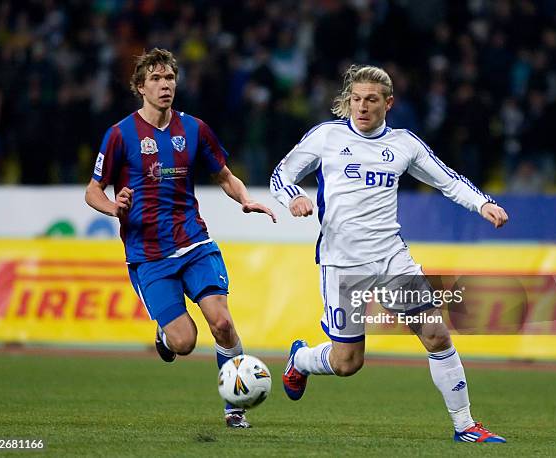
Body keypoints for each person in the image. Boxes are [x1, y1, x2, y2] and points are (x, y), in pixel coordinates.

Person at [270, 65, 509, 443]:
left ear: (388, 103)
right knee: (348, 363)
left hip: (392, 258)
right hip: (342, 263)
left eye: (371, 100)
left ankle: (465, 426)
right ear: (348, 100)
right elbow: (281, 175)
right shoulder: (326, 137)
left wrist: (483, 205)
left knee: (437, 335)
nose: (362, 107)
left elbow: (447, 180)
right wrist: (294, 197)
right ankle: (300, 359)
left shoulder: (404, 144)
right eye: (356, 99)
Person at [85, 48, 276, 428]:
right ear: (140, 86)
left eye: (169, 78)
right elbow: (93, 191)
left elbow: (224, 175)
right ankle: (165, 334)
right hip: (148, 255)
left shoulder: (194, 129)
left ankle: (233, 407)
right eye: (155, 78)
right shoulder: (120, 134)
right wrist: (114, 207)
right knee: (184, 341)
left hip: (193, 243)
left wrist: (246, 198)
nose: (164, 85)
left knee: (221, 322)